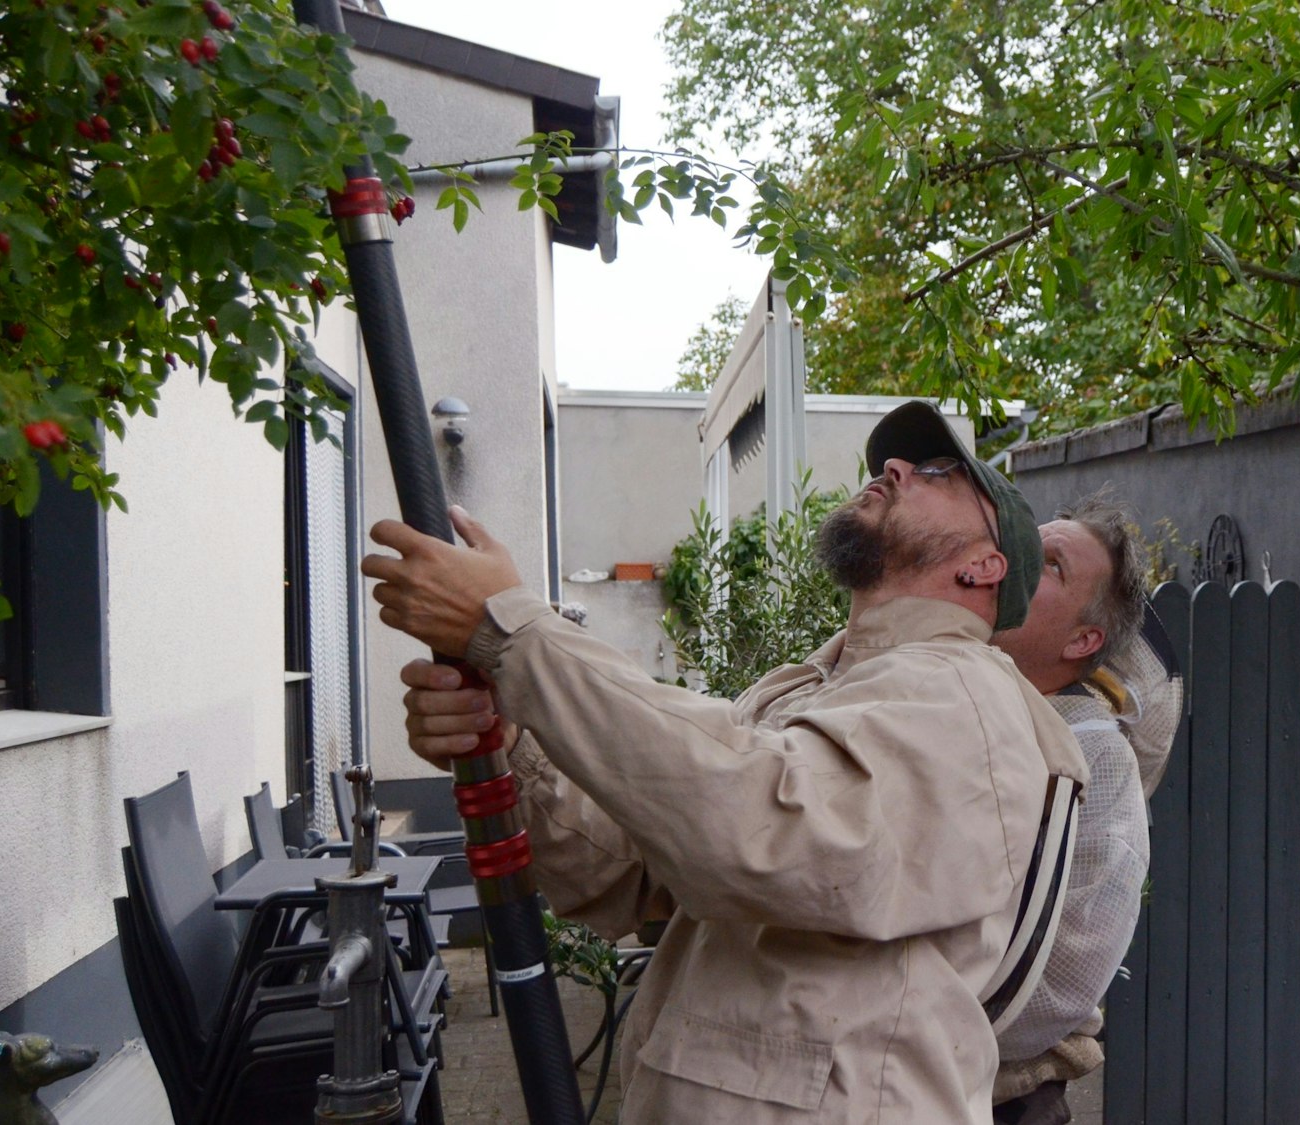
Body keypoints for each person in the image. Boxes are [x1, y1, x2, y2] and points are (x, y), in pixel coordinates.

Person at [362, 401, 1087, 1124]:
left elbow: (763, 828)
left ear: (984, 565)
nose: (891, 469)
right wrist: (512, 741)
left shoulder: (967, 693)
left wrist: (514, 635)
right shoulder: (814, 686)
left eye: (936, 472)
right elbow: (633, 872)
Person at [983, 494, 1181, 1125]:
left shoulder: (1095, 760)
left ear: (1083, 639)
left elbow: (1060, 983)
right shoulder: (956, 699)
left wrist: (914, 1032)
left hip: (1003, 1100)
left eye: (1049, 564)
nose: (1016, 558)